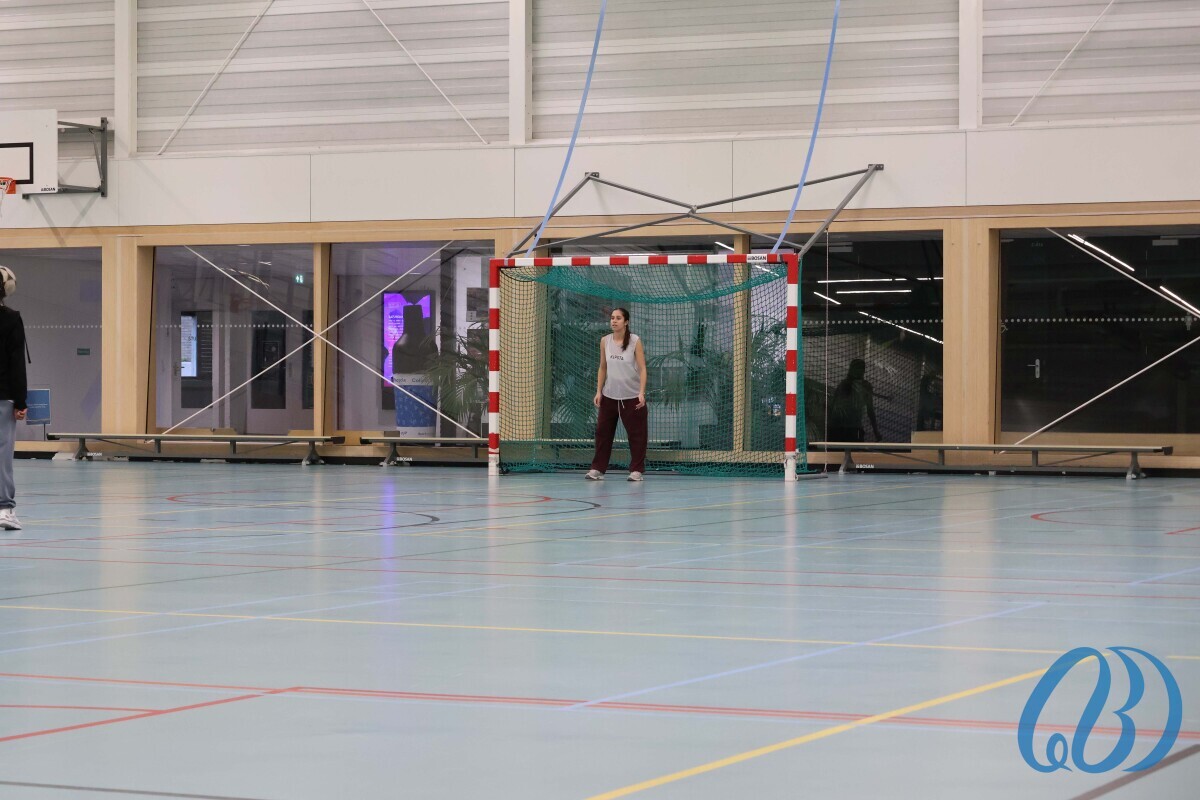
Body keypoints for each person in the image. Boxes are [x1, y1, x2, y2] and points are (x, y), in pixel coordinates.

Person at [586, 307, 648, 482]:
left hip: (632, 397)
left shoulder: (635, 341)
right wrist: (599, 391)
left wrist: (641, 392)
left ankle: (636, 470)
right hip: (609, 396)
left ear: (626, 322)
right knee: (602, 433)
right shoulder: (605, 341)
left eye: (618, 318)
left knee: (637, 435)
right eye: (612, 318)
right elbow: (603, 367)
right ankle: (597, 469)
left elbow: (643, 368)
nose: (614, 321)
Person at [0, 265, 27, 530]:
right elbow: (16, 363)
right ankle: (5, 509)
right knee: (3, 454)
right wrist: (21, 402)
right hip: (3, 397)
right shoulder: (11, 319)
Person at [828, 358, 880, 442]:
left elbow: (870, 410)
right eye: (856, 368)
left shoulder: (866, 386)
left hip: (854, 428)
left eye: (860, 368)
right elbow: (834, 406)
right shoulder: (844, 385)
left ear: (863, 371)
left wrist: (876, 431)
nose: (858, 371)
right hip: (840, 428)